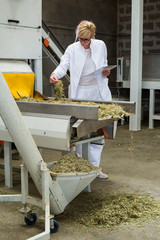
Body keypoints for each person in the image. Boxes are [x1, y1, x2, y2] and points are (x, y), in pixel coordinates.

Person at [49, 20, 112, 179]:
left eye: (87, 39)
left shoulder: (101, 45)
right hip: (81, 93)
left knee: (98, 129)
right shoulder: (72, 49)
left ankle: (95, 167)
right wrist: (55, 74)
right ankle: (82, 166)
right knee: (81, 130)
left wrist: (105, 72)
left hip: (98, 92)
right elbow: (63, 65)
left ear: (93, 36)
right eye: (80, 39)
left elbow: (103, 67)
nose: (83, 43)